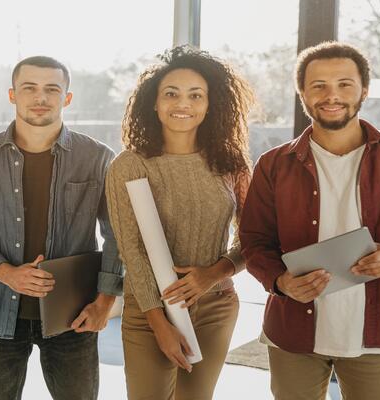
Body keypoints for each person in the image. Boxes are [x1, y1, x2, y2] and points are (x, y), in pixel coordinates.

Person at [239, 41, 380, 400]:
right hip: (294, 329)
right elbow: (253, 240)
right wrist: (279, 281)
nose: (332, 95)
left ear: (364, 90)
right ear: (303, 94)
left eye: (344, 84)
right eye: (318, 86)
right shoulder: (273, 164)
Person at [0, 56, 123, 400]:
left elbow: (116, 234)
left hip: (74, 316)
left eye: (51, 89)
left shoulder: (98, 158)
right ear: (13, 95)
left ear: (66, 98)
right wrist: (5, 272)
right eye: (29, 88)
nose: (40, 97)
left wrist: (104, 301)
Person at [105, 45, 253, 400]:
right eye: (171, 94)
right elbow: (132, 251)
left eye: (195, 95)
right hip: (149, 309)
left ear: (209, 104)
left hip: (216, 305)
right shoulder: (130, 164)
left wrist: (213, 274)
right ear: (154, 103)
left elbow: (253, 239)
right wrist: (159, 323)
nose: (182, 103)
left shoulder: (231, 164)